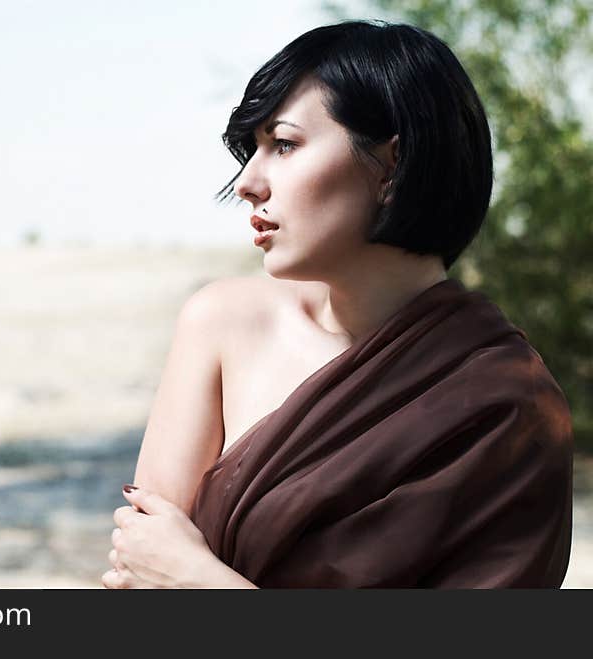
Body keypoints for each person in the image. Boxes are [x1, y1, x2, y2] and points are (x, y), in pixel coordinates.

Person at [102, 20, 573, 589]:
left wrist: (204, 584)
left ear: (391, 165)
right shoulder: (222, 325)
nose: (248, 182)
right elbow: (140, 579)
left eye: (284, 144)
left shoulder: (507, 406)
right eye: (252, 151)